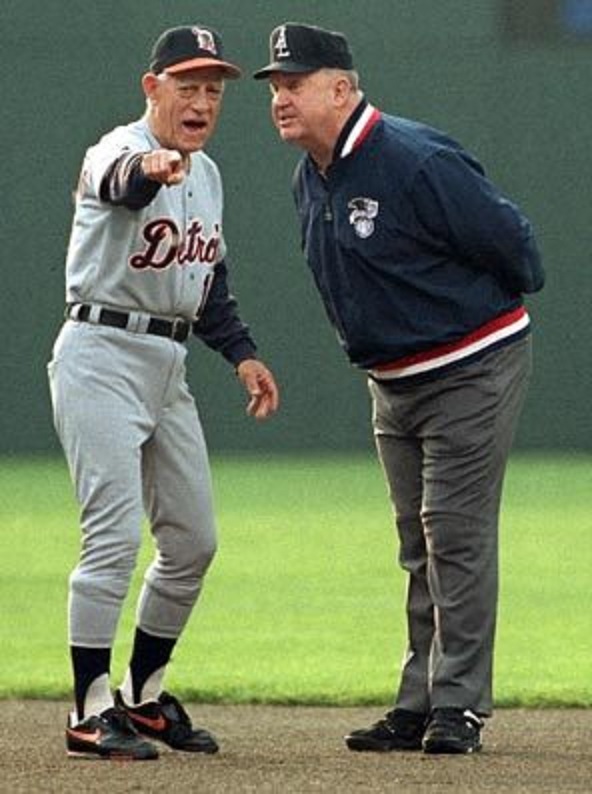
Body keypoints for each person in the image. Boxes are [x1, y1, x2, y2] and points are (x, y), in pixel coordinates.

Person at [254, 23, 544, 755]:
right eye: (277, 86)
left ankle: (461, 707)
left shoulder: (412, 158)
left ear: (342, 88)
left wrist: (461, 313)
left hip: (472, 365)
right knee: (419, 543)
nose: (281, 98)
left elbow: (516, 245)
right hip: (395, 381)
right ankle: (419, 701)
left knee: (454, 533)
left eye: (296, 83)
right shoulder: (310, 176)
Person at [48, 24, 279, 761]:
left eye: (213, 90)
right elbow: (124, 183)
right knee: (112, 537)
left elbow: (207, 282)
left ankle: (143, 698)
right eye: (188, 86)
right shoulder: (115, 150)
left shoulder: (206, 176)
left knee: (192, 540)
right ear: (153, 89)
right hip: (99, 352)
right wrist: (152, 163)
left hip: (166, 361)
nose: (203, 101)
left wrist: (242, 355)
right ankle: (91, 709)